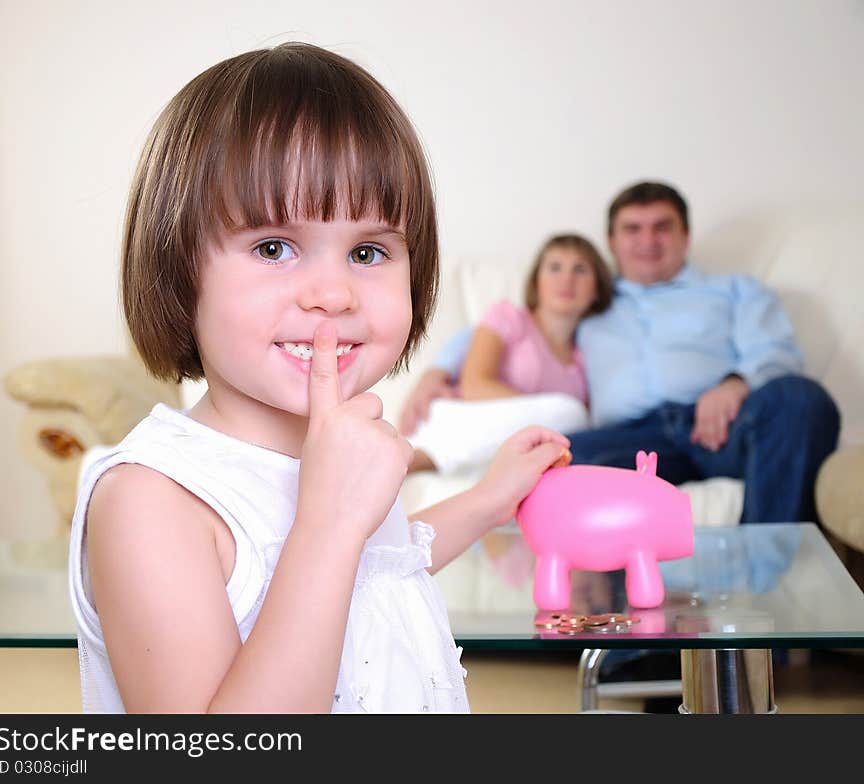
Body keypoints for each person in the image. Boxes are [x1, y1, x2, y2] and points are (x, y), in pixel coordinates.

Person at [66, 43, 574, 714]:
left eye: (368, 252)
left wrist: (487, 501)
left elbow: (383, 567)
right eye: (273, 248)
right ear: (178, 269)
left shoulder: (334, 447)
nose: (333, 294)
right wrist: (329, 523)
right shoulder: (150, 501)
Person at [400, 181, 840, 526]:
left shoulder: (733, 291)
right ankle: (624, 640)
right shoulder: (592, 300)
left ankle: (769, 599)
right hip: (628, 436)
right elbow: (514, 323)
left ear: (685, 236)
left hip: (721, 426)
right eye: (633, 228)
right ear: (612, 241)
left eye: (662, 227)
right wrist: (438, 368)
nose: (647, 240)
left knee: (802, 399)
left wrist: (735, 384)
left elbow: (776, 352)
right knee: (562, 462)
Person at [407, 233, 613, 474]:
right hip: (462, 420)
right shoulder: (507, 317)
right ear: (537, 283)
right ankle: (417, 459)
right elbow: (474, 385)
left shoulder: (584, 358)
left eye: (580, 269)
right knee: (570, 412)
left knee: (574, 417)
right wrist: (544, 411)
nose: (566, 279)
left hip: (504, 449)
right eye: (555, 268)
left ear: (597, 289)